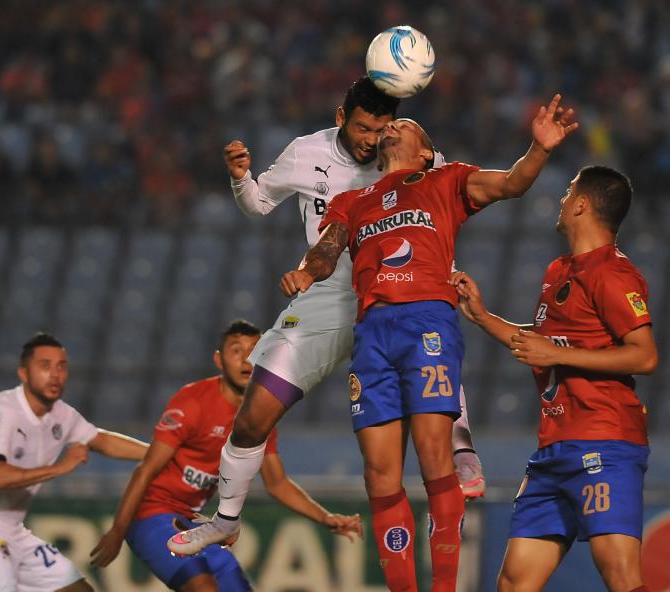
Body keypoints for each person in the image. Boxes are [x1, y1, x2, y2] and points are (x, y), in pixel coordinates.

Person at [281, 95, 577, 592]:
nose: (391, 127)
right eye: (388, 125)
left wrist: (538, 148)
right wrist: (309, 270)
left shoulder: (446, 183)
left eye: (404, 123)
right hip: (372, 331)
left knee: (435, 457)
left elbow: (511, 183)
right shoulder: (357, 199)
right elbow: (328, 248)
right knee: (379, 472)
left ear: (425, 153)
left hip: (427, 325)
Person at [166, 79, 485, 555]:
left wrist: (451, 269)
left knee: (428, 326)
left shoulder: (408, 152)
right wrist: (240, 179)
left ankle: (462, 446)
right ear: (341, 118)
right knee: (252, 418)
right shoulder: (303, 153)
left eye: (381, 129)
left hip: (399, 289)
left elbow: (442, 200)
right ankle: (226, 520)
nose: (371, 140)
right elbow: (257, 204)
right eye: (362, 128)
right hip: (330, 292)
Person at [450, 165, 664, 592]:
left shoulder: (614, 274)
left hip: (604, 441)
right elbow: (544, 344)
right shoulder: (559, 270)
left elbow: (643, 356)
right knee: (514, 584)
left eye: (569, 192)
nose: (563, 199)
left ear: (583, 204)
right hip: (553, 449)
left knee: (620, 571)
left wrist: (555, 352)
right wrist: (484, 317)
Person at [89, 320, 362, 592]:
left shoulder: (260, 415)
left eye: (256, 351)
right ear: (219, 360)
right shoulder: (193, 402)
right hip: (151, 514)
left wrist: (325, 518)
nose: (247, 359)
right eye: (236, 351)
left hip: (193, 521)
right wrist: (117, 530)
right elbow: (145, 470)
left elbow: (278, 484)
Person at [0, 332, 148, 592]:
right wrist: (60, 468)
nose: (55, 374)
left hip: (11, 529)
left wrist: (160, 452)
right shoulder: (1, 411)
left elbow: (102, 440)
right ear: (23, 373)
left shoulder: (62, 415)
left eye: (61, 366)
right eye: (45, 365)